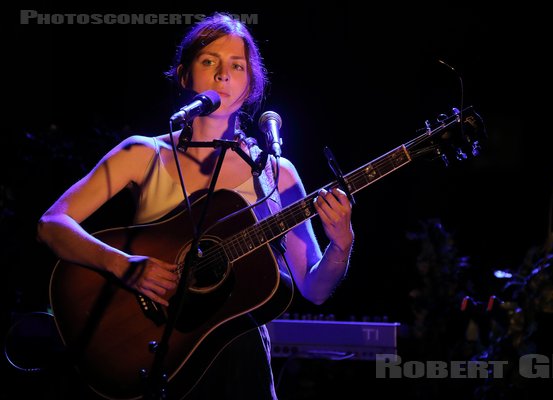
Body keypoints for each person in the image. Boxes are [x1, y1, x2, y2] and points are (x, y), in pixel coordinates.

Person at [37, 12, 354, 400]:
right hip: (155, 353)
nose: (224, 74)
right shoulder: (144, 152)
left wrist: (341, 245)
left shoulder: (276, 173)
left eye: (237, 65)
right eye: (209, 61)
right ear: (185, 75)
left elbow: (314, 288)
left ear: (251, 84)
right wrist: (123, 265)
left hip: (240, 364)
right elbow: (53, 223)